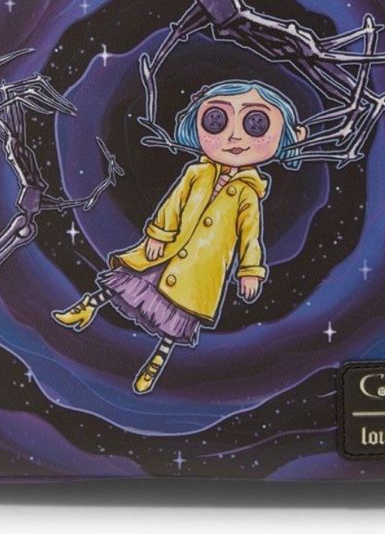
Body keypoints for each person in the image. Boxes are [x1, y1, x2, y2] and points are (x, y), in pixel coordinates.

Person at [53, 80, 305, 393]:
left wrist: (250, 270)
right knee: (131, 278)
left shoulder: (248, 194)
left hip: (202, 268)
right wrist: (158, 235)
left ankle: (155, 364)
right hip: (169, 246)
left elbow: (250, 235)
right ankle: (88, 306)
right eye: (216, 120)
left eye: (256, 123)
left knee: (176, 318)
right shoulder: (196, 173)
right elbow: (173, 204)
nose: (234, 136)